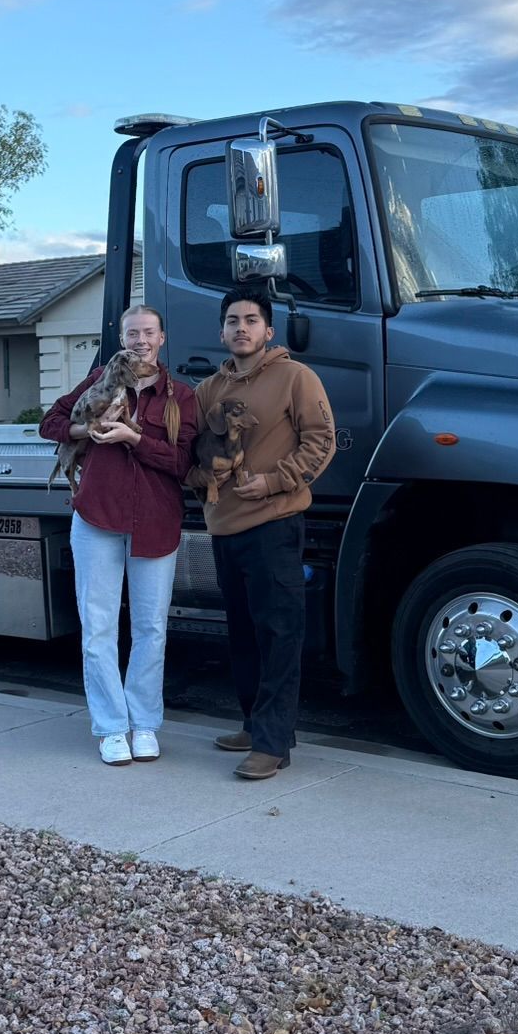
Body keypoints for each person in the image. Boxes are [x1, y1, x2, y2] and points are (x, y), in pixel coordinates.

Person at [39, 305, 198, 766]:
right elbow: (50, 422)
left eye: (149, 332)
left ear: (162, 339)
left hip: (154, 518)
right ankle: (111, 728)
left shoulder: (180, 397)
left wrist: (132, 438)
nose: (140, 340)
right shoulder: (99, 381)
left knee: (151, 627)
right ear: (123, 339)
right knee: (99, 627)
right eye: (133, 333)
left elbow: (182, 464)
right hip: (96, 516)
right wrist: (84, 430)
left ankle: (144, 724)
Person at [190, 287, 336, 780]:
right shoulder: (208, 389)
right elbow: (190, 452)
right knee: (243, 634)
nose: (241, 328)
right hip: (225, 529)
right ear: (222, 331)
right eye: (232, 320)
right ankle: (254, 724)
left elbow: (322, 440)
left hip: (274, 525)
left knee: (279, 634)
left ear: (268, 330)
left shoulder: (296, 377)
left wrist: (274, 482)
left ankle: (274, 744)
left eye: (251, 320)